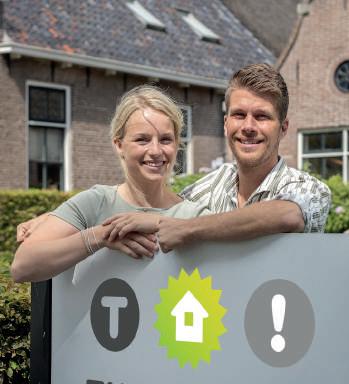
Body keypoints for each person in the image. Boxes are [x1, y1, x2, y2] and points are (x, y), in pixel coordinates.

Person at [11, 84, 208, 384]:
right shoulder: (96, 202)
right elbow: (23, 265)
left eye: (166, 139)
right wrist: (99, 237)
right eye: (142, 139)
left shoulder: (195, 216)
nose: (156, 150)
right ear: (119, 144)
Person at [17, 64, 331, 249]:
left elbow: (286, 216)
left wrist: (184, 228)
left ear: (283, 128)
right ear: (225, 124)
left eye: (261, 116)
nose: (248, 127)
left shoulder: (308, 189)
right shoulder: (206, 188)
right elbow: (150, 202)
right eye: (239, 115)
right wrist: (62, 217)